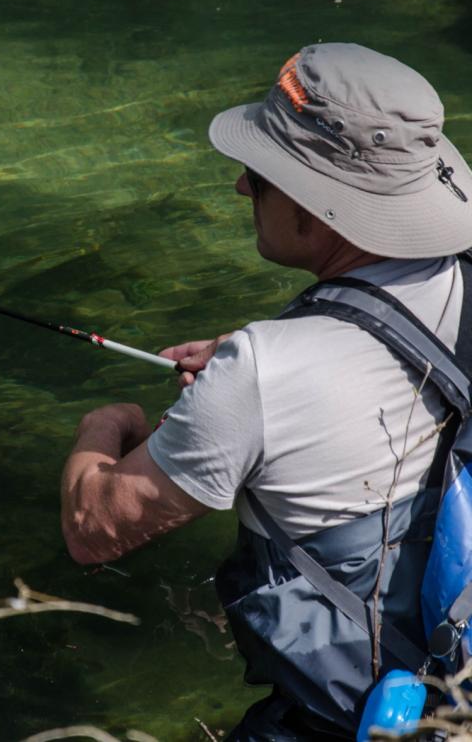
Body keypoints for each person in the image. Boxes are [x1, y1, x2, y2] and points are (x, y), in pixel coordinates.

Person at [60, 43, 472, 740]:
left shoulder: (260, 372)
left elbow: (95, 528)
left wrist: (103, 426)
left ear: (319, 204)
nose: (242, 190)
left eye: (260, 174)